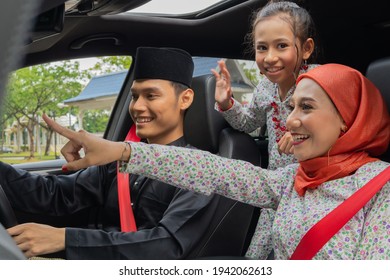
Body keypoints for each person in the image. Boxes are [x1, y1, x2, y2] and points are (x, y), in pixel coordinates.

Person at [43, 63, 390, 259]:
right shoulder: (292, 180)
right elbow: (216, 172)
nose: (291, 119)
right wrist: (123, 151)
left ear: (348, 117)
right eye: (291, 106)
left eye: (307, 108)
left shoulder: (381, 189)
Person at [1, 47, 222, 259]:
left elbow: (165, 246)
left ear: (185, 99)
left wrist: (66, 239)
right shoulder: (117, 162)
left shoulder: (200, 172)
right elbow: (54, 195)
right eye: (135, 97)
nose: (137, 107)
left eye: (151, 96)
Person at [212, 0, 320, 258]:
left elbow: (343, 130)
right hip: (275, 189)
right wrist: (227, 102)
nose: (270, 57)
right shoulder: (264, 89)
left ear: (306, 48)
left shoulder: (319, 82)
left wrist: (302, 133)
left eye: (281, 46)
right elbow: (249, 122)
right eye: (262, 48)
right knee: (256, 257)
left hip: (314, 190)